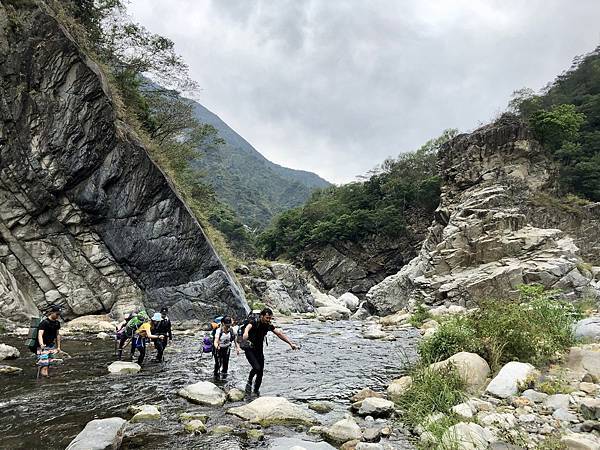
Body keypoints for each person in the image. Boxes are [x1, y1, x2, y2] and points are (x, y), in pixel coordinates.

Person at [241, 307, 298, 396]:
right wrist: (245, 333)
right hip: (249, 348)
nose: (268, 320)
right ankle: (249, 381)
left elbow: (279, 334)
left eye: (270, 318)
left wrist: (290, 343)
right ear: (262, 316)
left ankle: (256, 391)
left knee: (260, 372)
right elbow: (248, 327)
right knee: (256, 368)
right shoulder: (255, 322)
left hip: (259, 350)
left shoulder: (268, 325)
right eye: (267, 318)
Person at [37, 305, 62, 377]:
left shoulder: (57, 323)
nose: (58, 316)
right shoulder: (44, 323)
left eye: (59, 314)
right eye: (57, 314)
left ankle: (44, 381)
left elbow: (57, 335)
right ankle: (44, 381)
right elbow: (40, 334)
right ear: (52, 312)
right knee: (44, 365)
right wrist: (41, 344)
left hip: (52, 346)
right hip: (42, 347)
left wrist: (58, 347)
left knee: (48, 365)